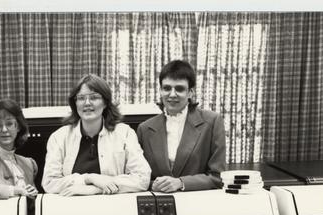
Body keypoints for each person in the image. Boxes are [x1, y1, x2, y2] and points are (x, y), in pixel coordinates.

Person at [42, 74, 151, 196]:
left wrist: (97, 188)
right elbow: (49, 182)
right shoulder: (59, 137)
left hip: (115, 207)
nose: (87, 103)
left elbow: (143, 178)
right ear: (75, 103)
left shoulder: (124, 133)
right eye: (81, 98)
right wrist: (89, 178)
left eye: (94, 98)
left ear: (105, 103)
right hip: (70, 208)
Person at [136, 60, 225, 192]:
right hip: (160, 205)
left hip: (199, 205)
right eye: (167, 88)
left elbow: (218, 177)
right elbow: (138, 176)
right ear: (160, 91)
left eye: (179, 89)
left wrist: (181, 183)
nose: (172, 94)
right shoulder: (145, 128)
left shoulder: (212, 122)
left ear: (190, 92)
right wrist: (151, 184)